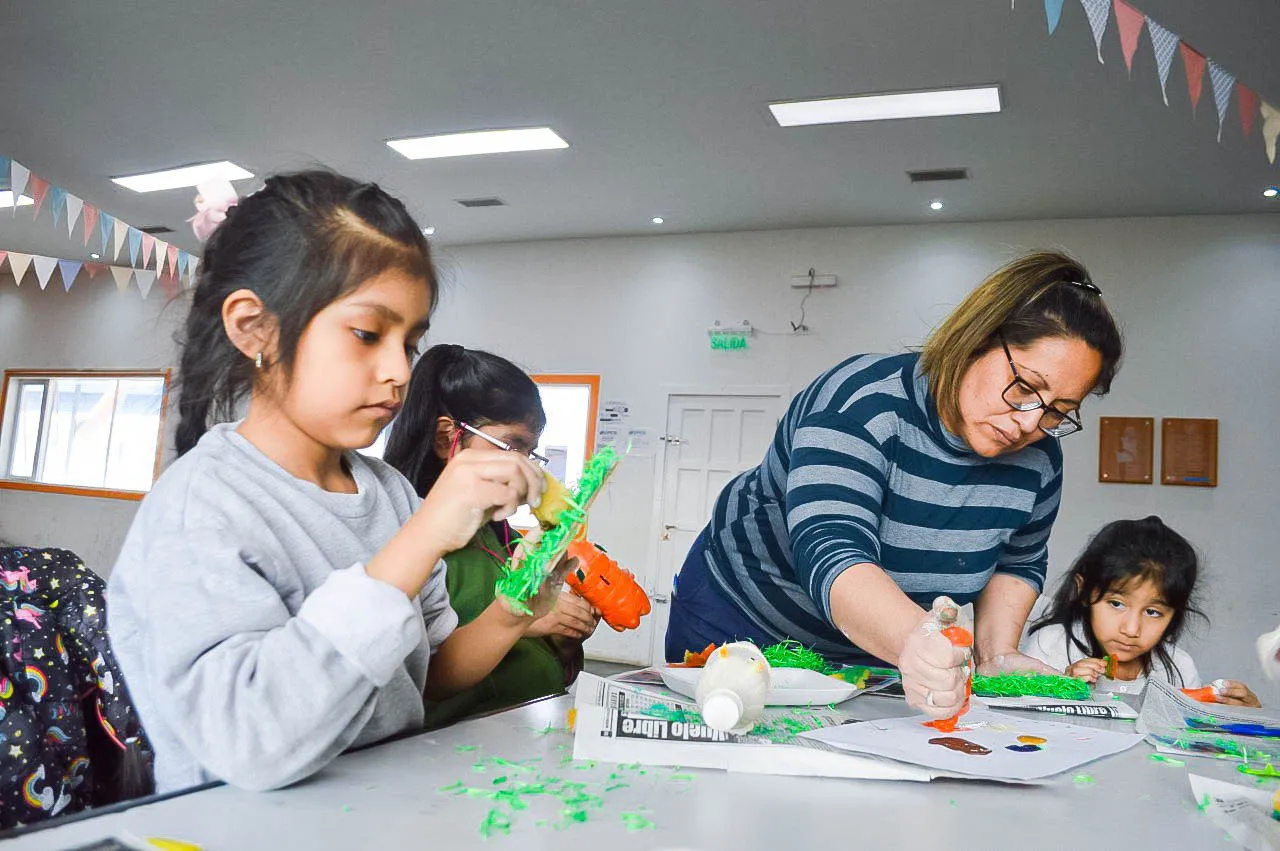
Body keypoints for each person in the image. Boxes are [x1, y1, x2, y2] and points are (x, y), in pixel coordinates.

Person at [107, 171, 562, 793]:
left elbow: (421, 679)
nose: (399, 371)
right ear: (255, 328)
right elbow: (250, 744)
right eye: (368, 335)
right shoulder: (202, 505)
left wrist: (514, 612)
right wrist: (421, 540)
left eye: (410, 340)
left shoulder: (391, 495)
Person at [665, 251, 1123, 721]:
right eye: (1025, 387)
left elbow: (1018, 560)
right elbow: (832, 548)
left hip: (879, 643)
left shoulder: (1041, 460)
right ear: (977, 338)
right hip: (741, 616)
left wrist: (997, 654)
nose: (1029, 422)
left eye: (1056, 411)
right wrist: (915, 641)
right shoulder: (862, 403)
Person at [383, 344, 600, 727]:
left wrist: (562, 641)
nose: (528, 469)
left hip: (525, 731)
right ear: (446, 438)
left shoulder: (499, 535)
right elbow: (424, 672)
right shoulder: (405, 543)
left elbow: (528, 646)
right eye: (513, 445)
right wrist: (525, 623)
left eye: (532, 452)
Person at [1022, 516, 1260, 706]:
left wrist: (1237, 719)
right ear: (1085, 591)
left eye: (1153, 612)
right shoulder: (1050, 646)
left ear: (1174, 613)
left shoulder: (1180, 667)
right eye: (1116, 604)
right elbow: (1020, 724)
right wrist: (1061, 689)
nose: (1131, 629)